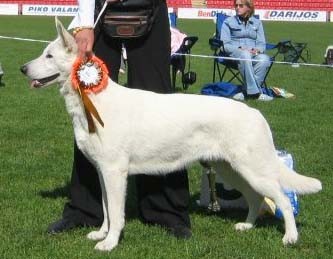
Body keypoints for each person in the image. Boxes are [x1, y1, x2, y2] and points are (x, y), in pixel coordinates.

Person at [47, 0, 191, 239]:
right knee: (89, 101)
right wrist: (84, 22)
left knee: (158, 101)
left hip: (151, 8)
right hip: (101, 9)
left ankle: (166, 210)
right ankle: (85, 209)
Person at [220, 0, 273, 101]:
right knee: (245, 55)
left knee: (265, 59)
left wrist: (258, 50)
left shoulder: (257, 23)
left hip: (253, 53)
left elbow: (261, 43)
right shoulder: (228, 22)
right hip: (235, 53)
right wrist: (238, 49)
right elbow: (224, 44)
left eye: (241, 5)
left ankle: (245, 91)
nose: (237, 8)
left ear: (249, 7)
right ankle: (256, 94)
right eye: (236, 5)